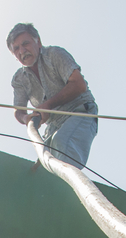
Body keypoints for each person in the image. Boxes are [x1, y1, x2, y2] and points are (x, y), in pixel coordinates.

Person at [8, 23, 98, 169]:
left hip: (80, 111)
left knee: (62, 143)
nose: (22, 51)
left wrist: (48, 105)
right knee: (42, 165)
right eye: (16, 49)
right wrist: (26, 118)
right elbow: (19, 111)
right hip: (54, 126)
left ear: (38, 42)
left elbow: (79, 84)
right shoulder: (19, 79)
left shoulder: (55, 54)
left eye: (25, 43)